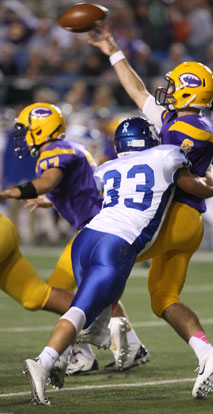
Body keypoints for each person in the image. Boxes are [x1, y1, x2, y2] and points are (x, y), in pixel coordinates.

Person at [22, 116, 213, 406]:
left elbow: (87, 194)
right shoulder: (166, 155)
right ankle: (45, 360)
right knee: (81, 312)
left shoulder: (107, 166)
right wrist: (209, 171)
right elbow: (201, 187)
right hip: (117, 244)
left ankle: (68, 357)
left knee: (96, 312)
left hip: (85, 239)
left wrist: (50, 200)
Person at [88, 24, 213, 399]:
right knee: (163, 299)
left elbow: (181, 178)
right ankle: (206, 350)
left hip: (175, 218)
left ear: (189, 90)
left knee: (99, 259)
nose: (164, 91)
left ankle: (95, 329)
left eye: (174, 84)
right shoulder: (179, 120)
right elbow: (136, 91)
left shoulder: (194, 127)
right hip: (184, 223)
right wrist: (112, 49)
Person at [0, 102, 150, 375]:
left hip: (95, 230)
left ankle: (82, 354)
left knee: (65, 292)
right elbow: (73, 187)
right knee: (100, 294)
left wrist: (9, 193)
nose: (22, 135)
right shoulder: (67, 148)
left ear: (40, 129)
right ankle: (131, 345)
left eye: (26, 129)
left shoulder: (55, 150)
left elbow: (48, 181)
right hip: (99, 226)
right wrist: (50, 200)